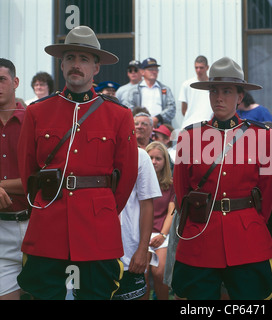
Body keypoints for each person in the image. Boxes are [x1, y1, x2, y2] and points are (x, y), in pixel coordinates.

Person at [16, 25, 138, 300]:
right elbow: (27, 172)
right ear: (61, 65)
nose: (76, 64)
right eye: (70, 57)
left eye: (84, 59)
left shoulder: (118, 115)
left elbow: (126, 177)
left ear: (96, 68)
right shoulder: (37, 112)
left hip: (97, 229)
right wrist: (43, 203)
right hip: (48, 225)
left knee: (96, 294)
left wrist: (100, 207)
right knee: (44, 294)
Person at [171, 57, 272, 300]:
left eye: (227, 91)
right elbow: (181, 193)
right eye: (214, 91)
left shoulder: (261, 137)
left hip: (246, 237)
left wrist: (250, 221)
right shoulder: (189, 137)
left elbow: (268, 193)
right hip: (201, 235)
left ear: (240, 97)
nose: (219, 97)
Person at [113, 147, 161, 300]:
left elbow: (147, 204)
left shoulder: (139, 155)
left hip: (128, 250)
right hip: (92, 251)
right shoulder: (88, 150)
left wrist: (142, 249)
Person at [0, 59, 29, 300]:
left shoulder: (34, 122)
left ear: (15, 82)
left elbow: (40, 179)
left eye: (2, 79)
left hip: (36, 226)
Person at [146, 141, 175, 300]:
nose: (154, 162)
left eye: (158, 158)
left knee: (159, 273)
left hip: (162, 234)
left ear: (165, 162)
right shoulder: (138, 180)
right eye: (150, 158)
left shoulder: (171, 184)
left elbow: (171, 211)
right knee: (141, 275)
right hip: (141, 234)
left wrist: (162, 235)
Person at [130, 58, 176, 127]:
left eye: (156, 69)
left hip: (160, 127)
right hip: (140, 127)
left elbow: (171, 108)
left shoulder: (165, 89)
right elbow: (129, 108)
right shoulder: (134, 90)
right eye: (151, 69)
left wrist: (158, 118)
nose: (154, 72)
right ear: (142, 72)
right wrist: (141, 120)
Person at [179, 55, 213, 129]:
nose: (198, 70)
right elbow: (184, 110)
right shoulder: (187, 84)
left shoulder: (213, 85)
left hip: (208, 126)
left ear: (207, 67)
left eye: (201, 68)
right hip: (189, 125)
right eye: (196, 67)